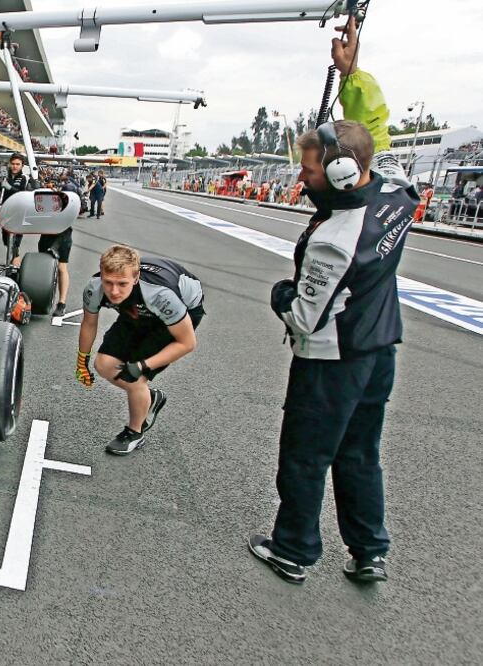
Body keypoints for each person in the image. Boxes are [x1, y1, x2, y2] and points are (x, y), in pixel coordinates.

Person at [249, 17, 418, 586]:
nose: (301, 175)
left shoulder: (333, 241)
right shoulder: (395, 190)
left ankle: (294, 549)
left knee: (304, 457)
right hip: (380, 350)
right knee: (360, 452)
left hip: (332, 361)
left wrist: (280, 294)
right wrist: (351, 74)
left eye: (310, 167)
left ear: (341, 174)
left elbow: (302, 315)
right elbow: (374, 128)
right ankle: (369, 550)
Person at [75, 245, 204, 455]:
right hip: (137, 309)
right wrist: (82, 361)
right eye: (109, 282)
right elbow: (89, 324)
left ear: (135, 278)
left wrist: (142, 365)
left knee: (136, 378)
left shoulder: (160, 295)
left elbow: (187, 343)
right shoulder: (95, 287)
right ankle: (149, 399)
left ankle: (135, 432)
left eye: (122, 284)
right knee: (104, 365)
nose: (114, 291)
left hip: (178, 313)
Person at [0, 153, 29, 265]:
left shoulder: (24, 178)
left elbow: (23, 194)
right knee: (7, 242)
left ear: (22, 165)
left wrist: (10, 187)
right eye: (13, 164)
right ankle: (12, 263)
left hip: (19, 214)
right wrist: (0, 183)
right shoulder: (4, 177)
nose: (15, 166)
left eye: (18, 164)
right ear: (10, 164)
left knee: (14, 244)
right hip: (5, 214)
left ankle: (15, 268)